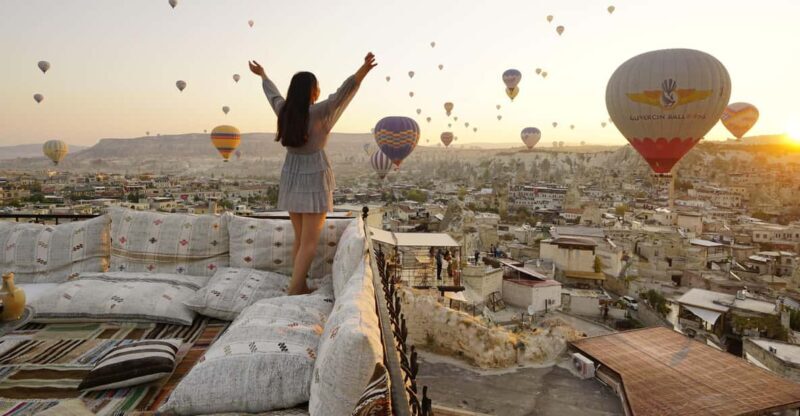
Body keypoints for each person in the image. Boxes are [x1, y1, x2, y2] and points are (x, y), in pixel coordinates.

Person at [249, 53, 377, 295]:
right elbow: (345, 92)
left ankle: (300, 283)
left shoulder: (285, 112)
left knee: (300, 238)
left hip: (291, 174)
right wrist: (364, 69)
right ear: (312, 91)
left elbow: (273, 96)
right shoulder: (322, 112)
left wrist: (263, 75)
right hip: (315, 174)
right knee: (309, 242)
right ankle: (294, 289)